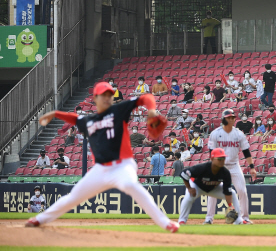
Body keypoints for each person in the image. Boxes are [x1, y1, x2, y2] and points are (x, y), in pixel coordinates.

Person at [29, 83, 179, 231]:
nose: (107, 98)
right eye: (104, 95)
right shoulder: (89, 120)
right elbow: (74, 119)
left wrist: (152, 111)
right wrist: (55, 114)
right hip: (100, 170)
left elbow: (146, 97)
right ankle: (39, 219)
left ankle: (165, 223)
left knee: (132, 186)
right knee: (73, 197)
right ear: (95, 98)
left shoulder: (118, 110)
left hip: (122, 166)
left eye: (110, 95)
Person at [205, 109, 256, 224]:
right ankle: (209, 219)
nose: (231, 119)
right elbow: (211, 152)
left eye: (232, 117)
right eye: (229, 117)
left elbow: (246, 151)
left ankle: (245, 218)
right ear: (224, 119)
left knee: (242, 191)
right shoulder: (215, 133)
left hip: (234, 165)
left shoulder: (238, 134)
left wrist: (252, 167)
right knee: (212, 191)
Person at [179, 148, 243, 225]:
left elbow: (227, 191)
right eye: (219, 158)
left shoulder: (225, 172)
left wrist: (230, 206)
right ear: (212, 159)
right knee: (188, 197)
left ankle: (238, 220)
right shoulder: (202, 167)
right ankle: (182, 220)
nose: (222, 160)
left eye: (223, 158)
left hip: (213, 188)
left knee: (232, 193)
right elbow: (183, 174)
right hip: (197, 186)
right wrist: (189, 188)